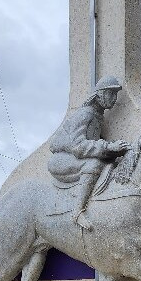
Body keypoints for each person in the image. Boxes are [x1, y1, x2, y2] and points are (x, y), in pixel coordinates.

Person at [47, 76, 129, 229]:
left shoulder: (97, 116)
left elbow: (93, 144)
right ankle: (77, 212)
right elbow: (78, 147)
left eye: (115, 95)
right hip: (60, 160)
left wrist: (115, 150)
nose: (114, 99)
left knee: (108, 164)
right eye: (111, 94)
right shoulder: (86, 114)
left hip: (73, 157)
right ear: (100, 94)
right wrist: (109, 147)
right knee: (94, 165)